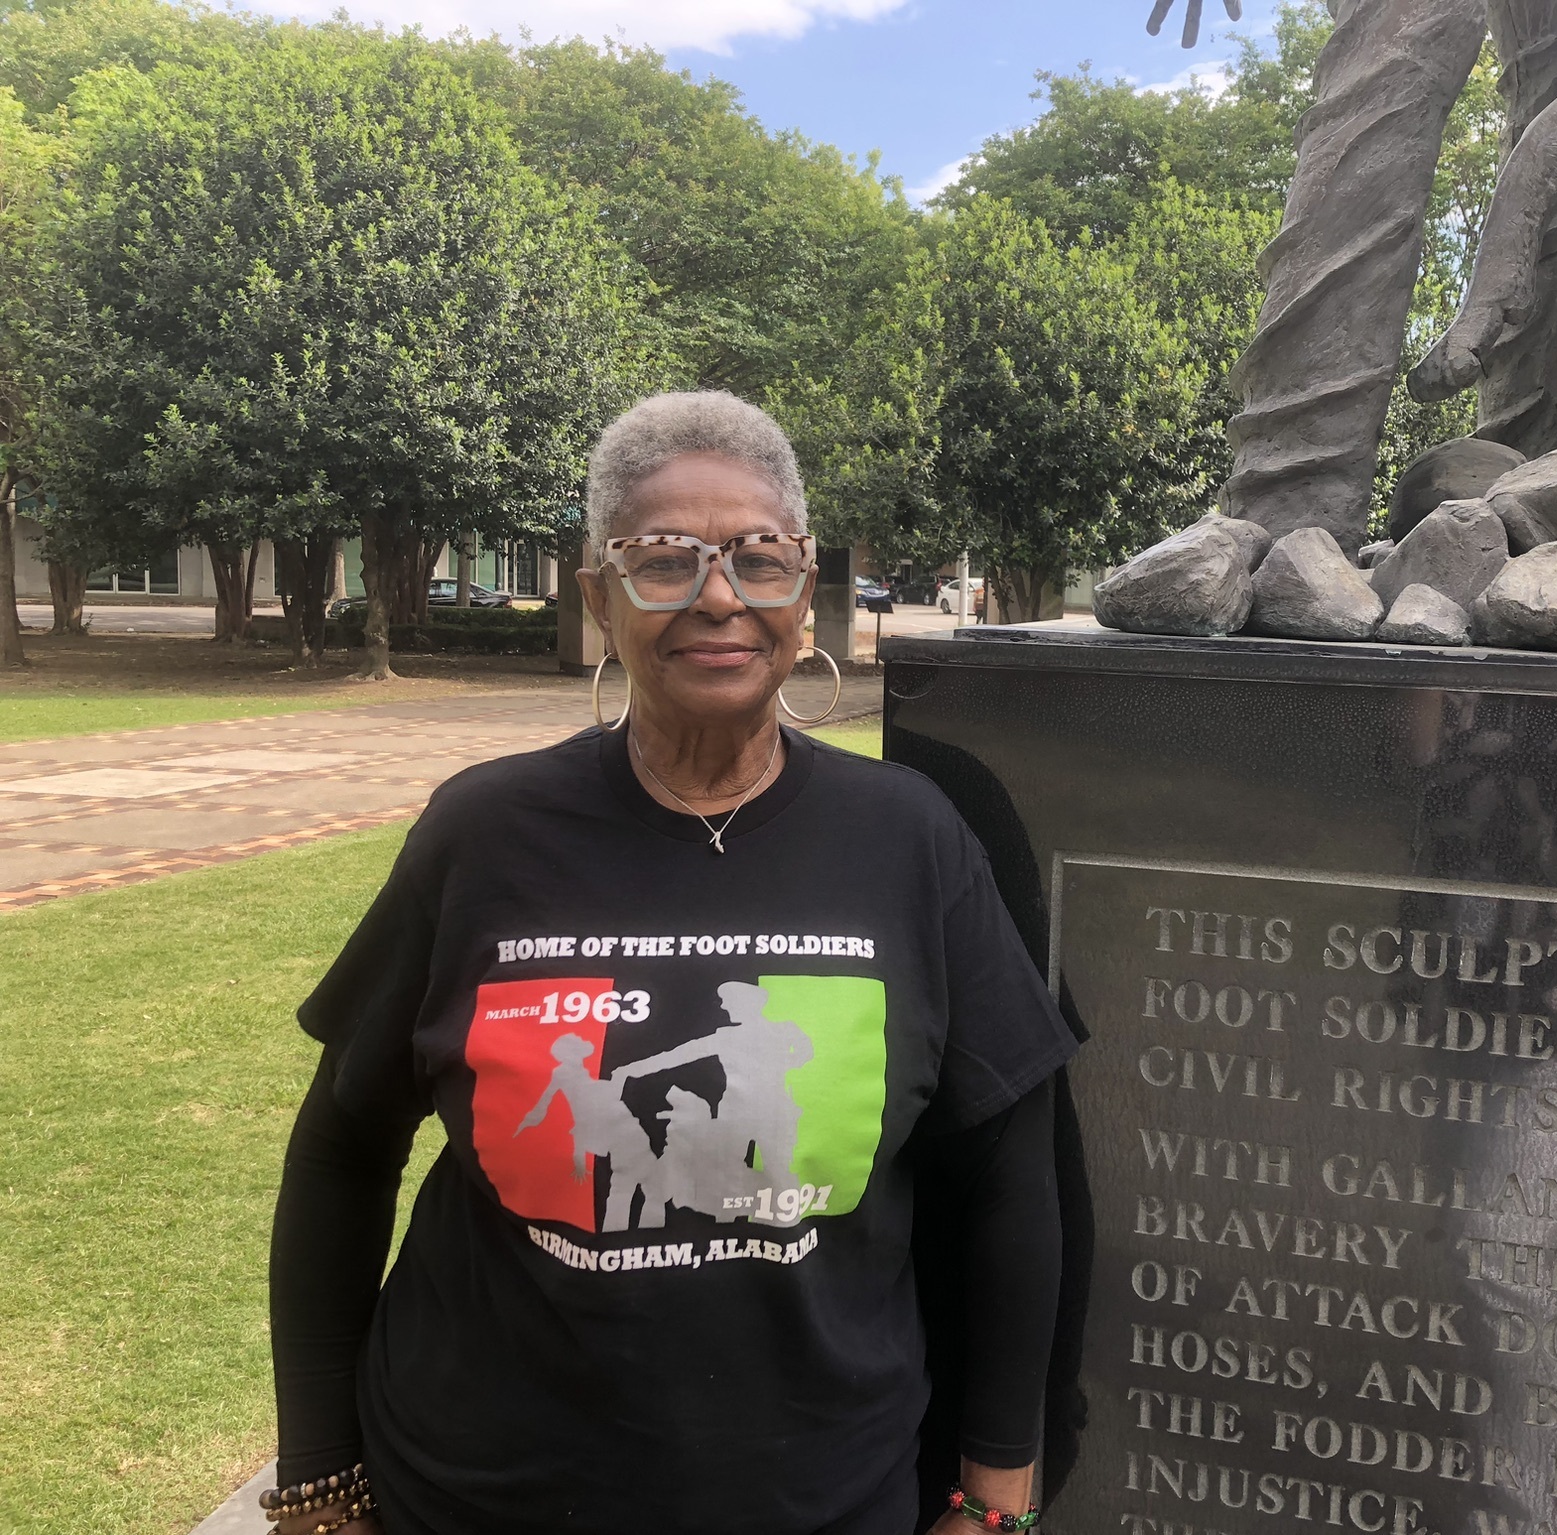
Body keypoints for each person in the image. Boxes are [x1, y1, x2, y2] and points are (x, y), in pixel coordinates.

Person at [265, 391, 1076, 1535]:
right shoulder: (485, 833)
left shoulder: (908, 838)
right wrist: (317, 1470)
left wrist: (995, 1490)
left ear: (803, 588)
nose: (716, 596)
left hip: (824, 1496)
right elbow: (343, 1148)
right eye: (662, 561)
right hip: (472, 1494)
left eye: (758, 556)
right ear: (599, 596)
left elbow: (1008, 1174)